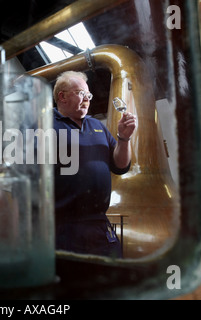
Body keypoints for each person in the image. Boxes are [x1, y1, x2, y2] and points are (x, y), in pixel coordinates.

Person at [53, 70, 136, 258]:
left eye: (88, 95)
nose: (87, 99)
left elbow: (121, 166)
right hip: (63, 225)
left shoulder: (97, 126)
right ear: (62, 96)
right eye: (81, 93)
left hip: (98, 222)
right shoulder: (45, 125)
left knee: (113, 277)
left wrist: (124, 138)